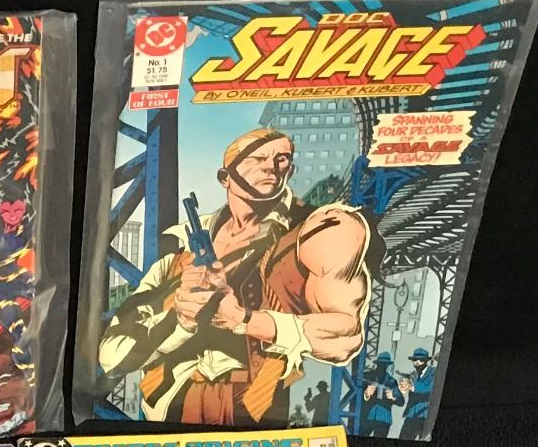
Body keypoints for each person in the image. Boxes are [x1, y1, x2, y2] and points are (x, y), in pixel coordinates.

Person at [96, 129, 371, 424]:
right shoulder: (181, 251)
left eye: (282, 159)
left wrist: (245, 320)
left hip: (255, 416)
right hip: (169, 415)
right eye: (257, 158)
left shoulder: (322, 230)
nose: (271, 167)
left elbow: (346, 336)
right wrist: (181, 319)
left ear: (290, 170)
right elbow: (111, 357)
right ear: (225, 177)